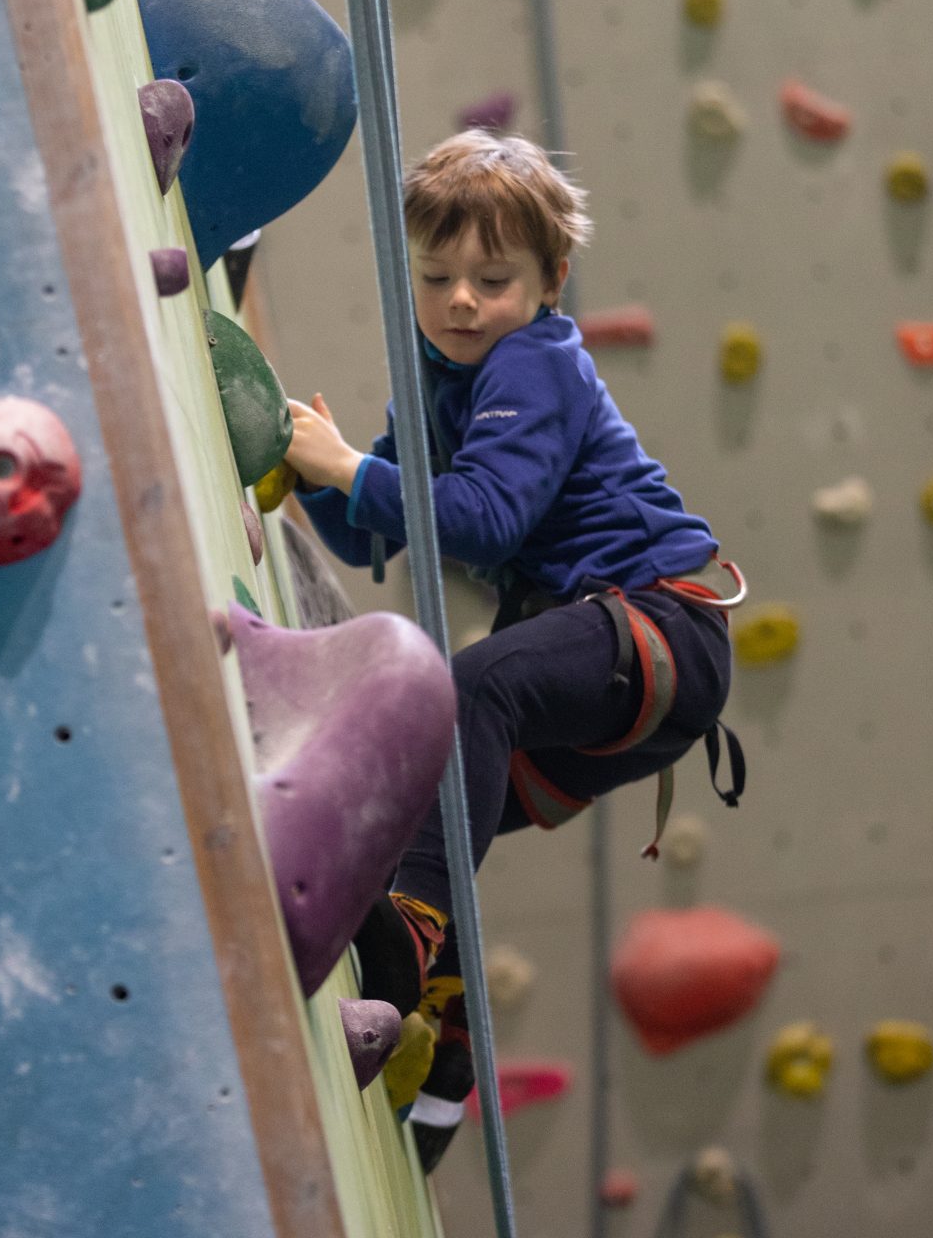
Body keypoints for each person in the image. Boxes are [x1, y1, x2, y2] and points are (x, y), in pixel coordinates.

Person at [284, 130, 745, 1152]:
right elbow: (374, 528)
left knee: (466, 693)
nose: (460, 300)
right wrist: (309, 467)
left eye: (493, 279)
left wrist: (349, 465)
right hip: (599, 646)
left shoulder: (538, 361)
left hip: (659, 622)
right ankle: (442, 1063)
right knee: (425, 790)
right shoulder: (434, 376)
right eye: (438, 276)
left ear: (551, 282)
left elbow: (482, 519)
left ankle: (410, 928)